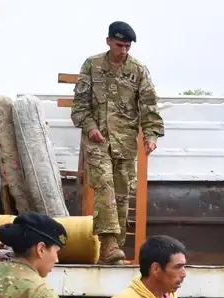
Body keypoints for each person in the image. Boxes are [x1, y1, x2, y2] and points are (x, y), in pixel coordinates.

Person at [71, 20, 164, 265]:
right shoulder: (92, 66)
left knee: (122, 196)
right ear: (108, 41)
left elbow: (149, 106)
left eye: (127, 46)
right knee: (105, 188)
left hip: (125, 143)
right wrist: (90, 128)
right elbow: (79, 107)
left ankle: (112, 251)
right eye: (120, 45)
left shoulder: (138, 70)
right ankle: (110, 244)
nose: (123, 50)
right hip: (97, 140)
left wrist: (152, 135)